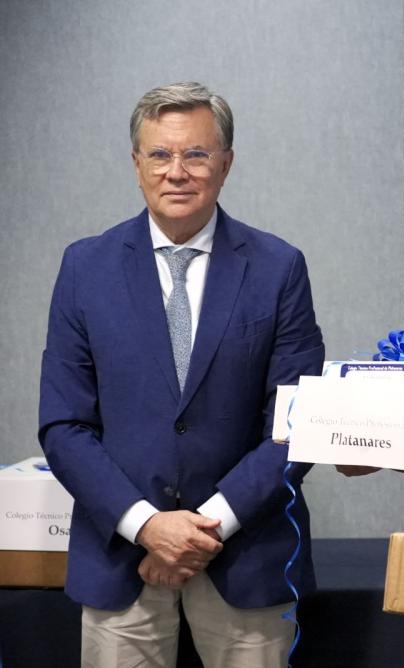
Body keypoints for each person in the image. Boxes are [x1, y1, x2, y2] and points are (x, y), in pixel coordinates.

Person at [38, 82, 325, 667]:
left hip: (246, 558)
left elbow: (298, 424)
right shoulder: (84, 267)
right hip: (121, 558)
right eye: (160, 155)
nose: (177, 171)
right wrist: (146, 527)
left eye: (196, 154)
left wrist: (205, 528)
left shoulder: (278, 268)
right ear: (136, 164)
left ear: (226, 164)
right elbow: (64, 424)